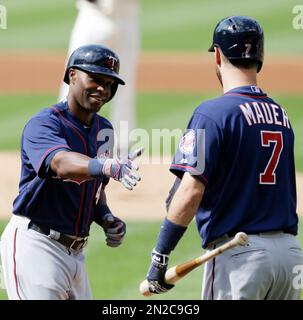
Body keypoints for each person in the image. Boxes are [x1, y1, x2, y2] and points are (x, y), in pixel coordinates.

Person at [143, 16, 303, 300]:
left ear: (217, 54)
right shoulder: (281, 116)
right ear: (259, 56)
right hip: (290, 258)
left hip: (241, 257)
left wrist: (160, 257)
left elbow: (191, 189)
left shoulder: (213, 113)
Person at [0, 44, 143, 300]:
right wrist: (106, 165)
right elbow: (61, 163)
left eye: (109, 84)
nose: (103, 89)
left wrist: (106, 217)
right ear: (72, 75)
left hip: (76, 256)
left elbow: (93, 191)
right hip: (36, 246)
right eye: (96, 79)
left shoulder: (103, 129)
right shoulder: (44, 124)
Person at [59, 0, 140, 156]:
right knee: (74, 78)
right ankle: (62, 135)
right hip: (94, 16)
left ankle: (121, 149)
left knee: (125, 85)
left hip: (127, 17)